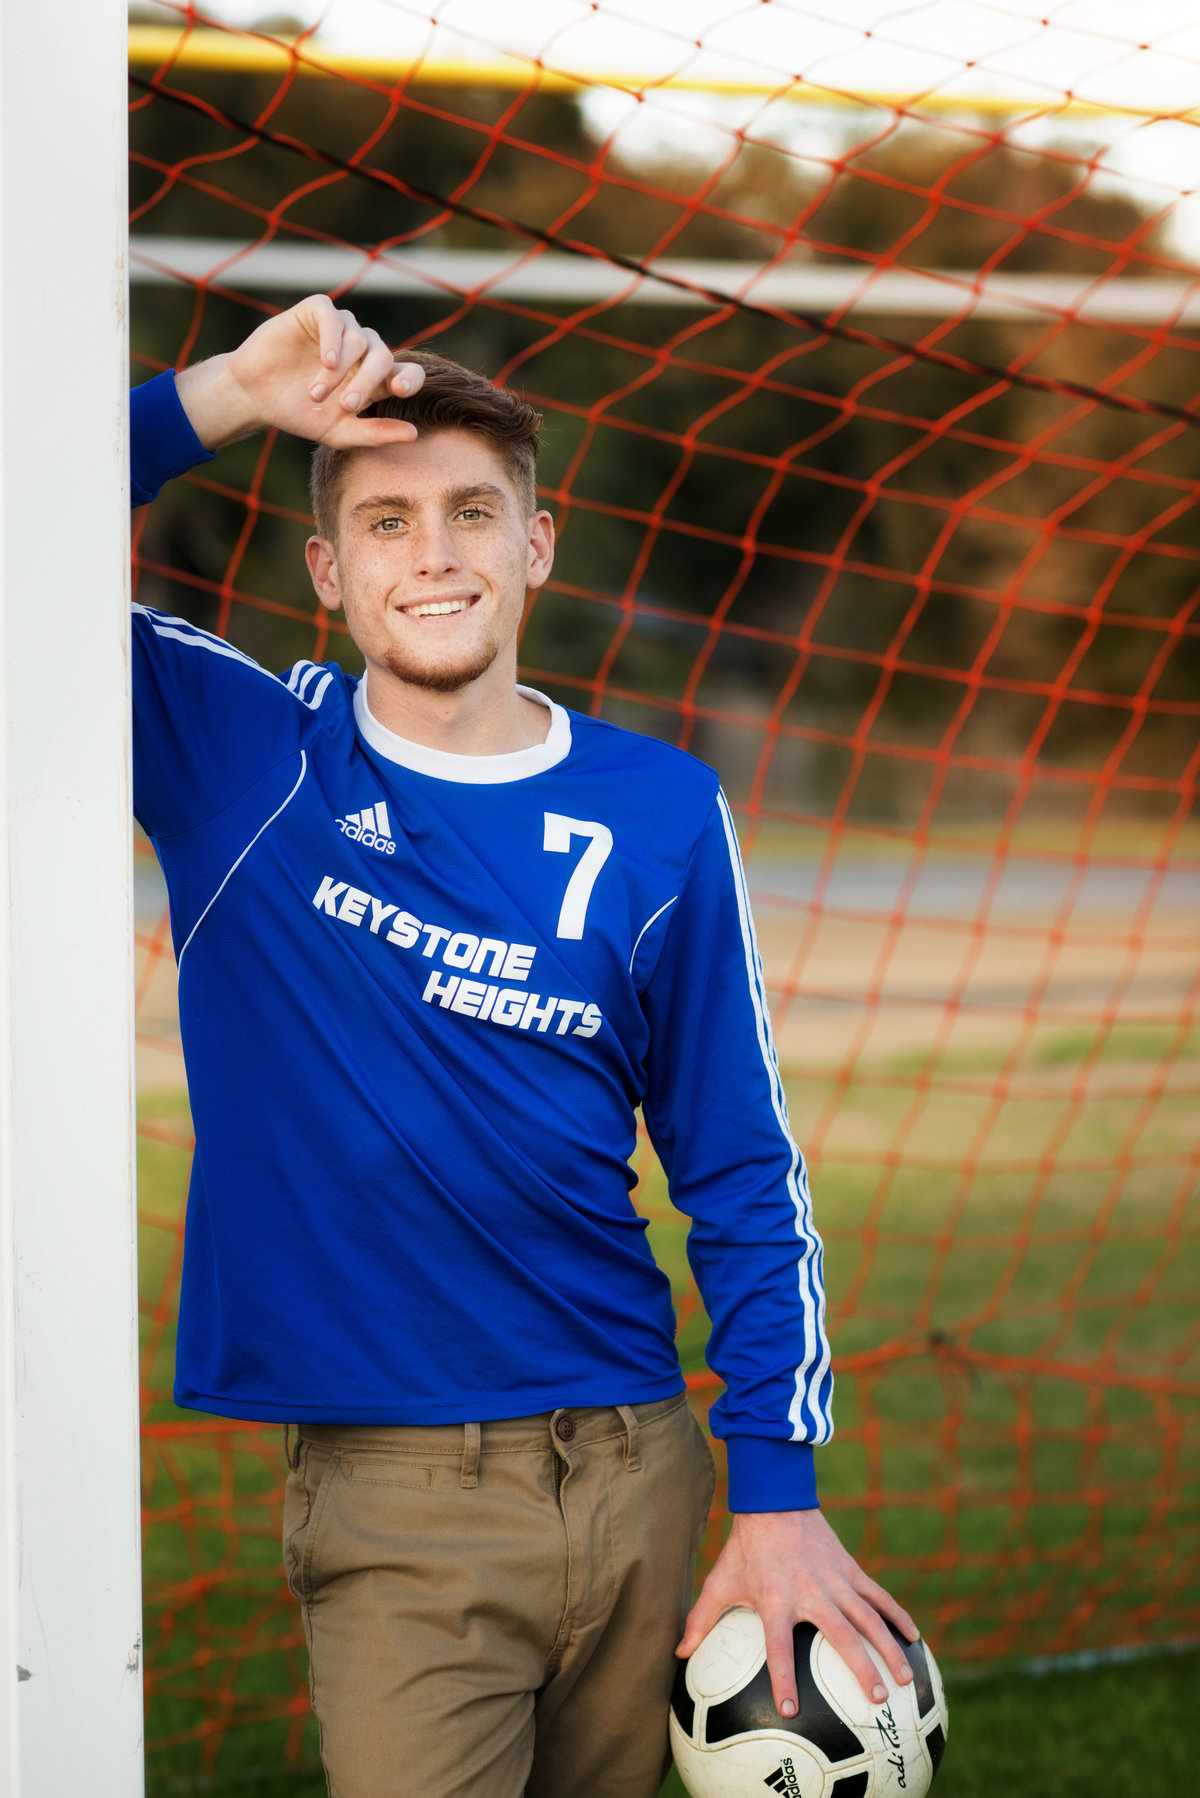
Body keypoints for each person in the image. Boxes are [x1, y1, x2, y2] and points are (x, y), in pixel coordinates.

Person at [131, 295, 918, 1798]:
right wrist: (228, 389)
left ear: (536, 546)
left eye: (472, 511)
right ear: (328, 568)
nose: (433, 550)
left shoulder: (664, 811)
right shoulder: (241, 757)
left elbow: (742, 1169)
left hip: (636, 1466)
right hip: (396, 1495)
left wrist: (781, 1493)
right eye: (386, 519)